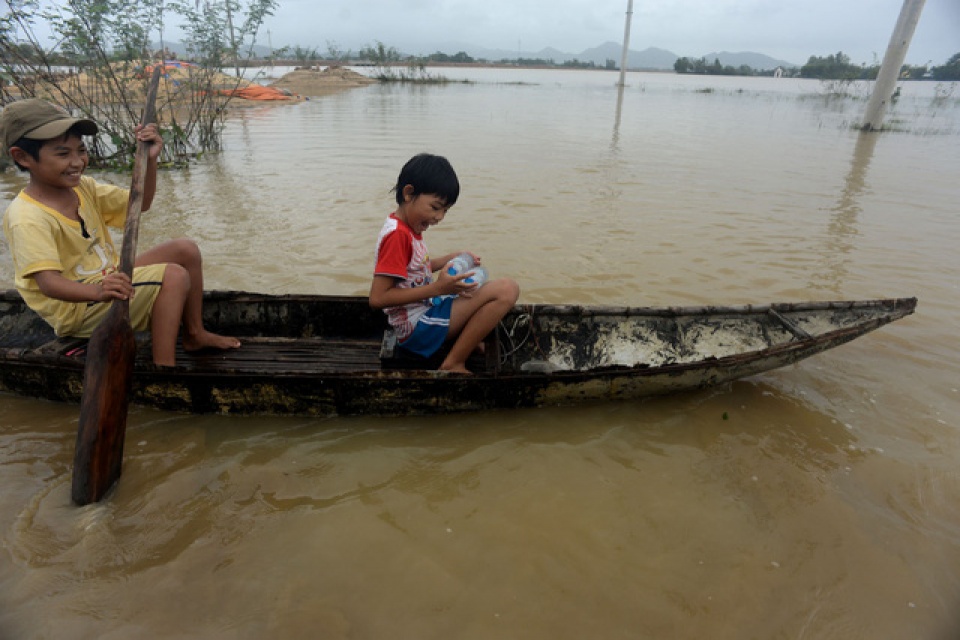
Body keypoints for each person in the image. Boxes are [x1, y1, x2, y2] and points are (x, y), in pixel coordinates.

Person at [1, 98, 240, 366]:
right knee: (173, 276)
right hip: (78, 309)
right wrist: (98, 292)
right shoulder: (27, 216)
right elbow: (49, 284)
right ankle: (165, 368)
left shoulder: (83, 188)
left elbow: (140, 205)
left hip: (107, 280)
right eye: (62, 154)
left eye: (80, 151)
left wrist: (149, 162)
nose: (77, 162)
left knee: (184, 249)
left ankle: (194, 334)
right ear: (22, 157)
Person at [369, 153, 520, 374]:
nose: (440, 217)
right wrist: (438, 288)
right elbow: (378, 298)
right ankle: (453, 362)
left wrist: (452, 257)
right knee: (507, 289)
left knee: (464, 286)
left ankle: (468, 336)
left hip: (422, 314)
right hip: (416, 329)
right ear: (409, 193)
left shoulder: (407, 229)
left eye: (445, 211)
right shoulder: (397, 236)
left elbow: (412, 272)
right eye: (435, 207)